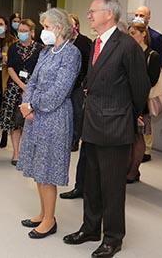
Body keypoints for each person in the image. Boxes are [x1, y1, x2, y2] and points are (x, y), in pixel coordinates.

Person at [63, 0, 150, 258]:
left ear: (109, 14)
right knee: (91, 182)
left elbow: (140, 87)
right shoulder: (97, 44)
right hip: (93, 123)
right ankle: (90, 228)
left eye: (92, 12)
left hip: (115, 126)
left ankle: (113, 237)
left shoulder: (127, 45)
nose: (88, 16)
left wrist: (128, 115)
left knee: (112, 186)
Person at [17, 8, 81, 239]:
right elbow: (32, 81)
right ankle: (43, 213)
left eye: (46, 27)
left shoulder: (71, 54)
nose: (43, 32)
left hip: (55, 117)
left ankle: (50, 220)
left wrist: (33, 106)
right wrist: (27, 104)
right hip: (35, 116)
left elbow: (60, 91)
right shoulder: (46, 52)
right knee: (37, 167)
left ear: (59, 28)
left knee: (47, 170)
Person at [0, 19, 42, 165]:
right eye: (20, 31)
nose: (22, 33)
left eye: (25, 31)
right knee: (14, 123)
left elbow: (40, 71)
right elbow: (10, 68)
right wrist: (22, 86)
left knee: (29, 123)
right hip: (14, 89)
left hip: (33, 89)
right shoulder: (13, 48)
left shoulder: (40, 49)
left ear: (32, 32)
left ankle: (27, 153)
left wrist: (29, 88)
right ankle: (16, 153)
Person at [59, 13, 92, 200]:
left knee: (77, 114)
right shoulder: (61, 44)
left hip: (78, 86)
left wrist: (82, 83)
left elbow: (87, 66)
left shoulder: (85, 42)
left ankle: (74, 140)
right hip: (64, 86)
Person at [126, 22, 162, 184]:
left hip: (142, 101)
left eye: (133, 33)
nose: (130, 37)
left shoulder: (152, 55)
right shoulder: (129, 53)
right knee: (130, 136)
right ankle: (129, 168)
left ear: (143, 34)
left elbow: (151, 81)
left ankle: (133, 171)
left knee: (138, 136)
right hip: (128, 99)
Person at [134, 6, 162, 163]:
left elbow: (161, 62)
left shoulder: (156, 37)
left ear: (149, 18)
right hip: (135, 85)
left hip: (149, 82)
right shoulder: (129, 38)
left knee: (146, 118)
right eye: (136, 14)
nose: (138, 17)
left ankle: (146, 149)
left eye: (142, 15)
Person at [0, 17, 16, 147]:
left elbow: (16, 59)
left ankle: (5, 134)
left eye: (1, 24)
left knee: (5, 107)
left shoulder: (12, 41)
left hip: (6, 76)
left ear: (6, 26)